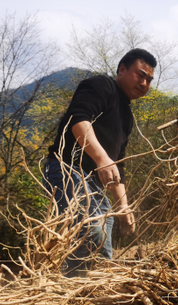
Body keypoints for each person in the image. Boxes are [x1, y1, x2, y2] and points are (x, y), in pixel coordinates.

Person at [44, 48, 157, 273]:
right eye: (140, 74)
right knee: (90, 230)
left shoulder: (127, 116)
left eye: (149, 80)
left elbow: (119, 165)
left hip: (93, 184)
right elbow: (79, 120)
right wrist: (101, 157)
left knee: (103, 243)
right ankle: (74, 294)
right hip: (68, 170)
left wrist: (124, 205)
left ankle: (93, 296)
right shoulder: (101, 86)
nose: (144, 83)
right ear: (122, 69)